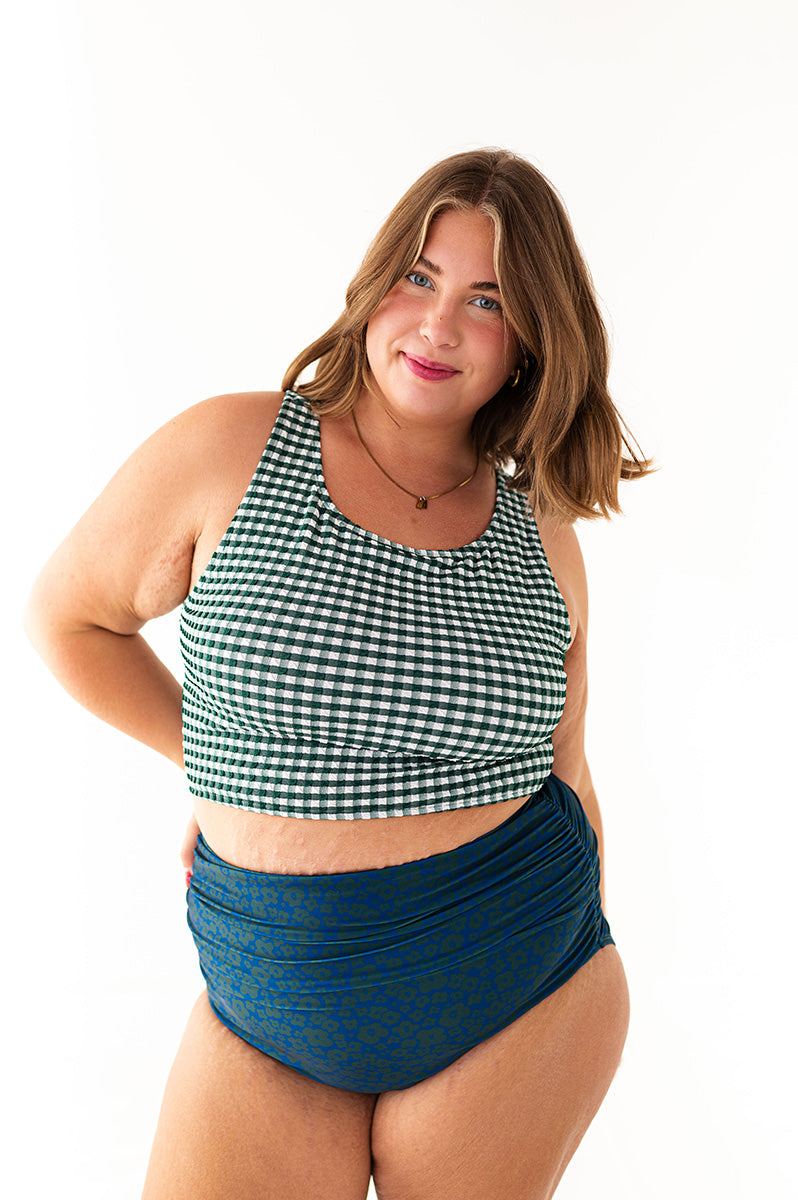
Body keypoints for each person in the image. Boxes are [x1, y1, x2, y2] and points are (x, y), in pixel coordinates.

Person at [26, 147, 650, 1200]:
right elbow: (69, 620)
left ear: (531, 343)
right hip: (266, 1006)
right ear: (373, 285)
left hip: (520, 996)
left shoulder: (541, 534)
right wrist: (213, 767)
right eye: (419, 278)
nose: (439, 326)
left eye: (488, 302)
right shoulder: (231, 449)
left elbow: (568, 765)